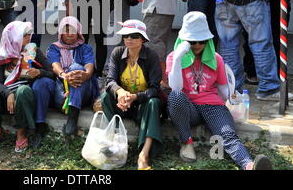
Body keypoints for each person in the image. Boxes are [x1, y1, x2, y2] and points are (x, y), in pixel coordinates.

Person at [166, 11, 273, 170]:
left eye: (201, 41)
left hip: (213, 106)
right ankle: (186, 143)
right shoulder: (174, 57)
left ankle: (250, 166)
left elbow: (224, 91)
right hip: (188, 108)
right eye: (192, 41)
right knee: (175, 96)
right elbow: (175, 88)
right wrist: (178, 59)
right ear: (183, 40)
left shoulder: (216, 58)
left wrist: (232, 96)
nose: (196, 46)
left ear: (207, 40)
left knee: (228, 135)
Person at [0, 21, 54, 152]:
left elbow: (52, 73)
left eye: (30, 34)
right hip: (5, 96)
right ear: (15, 37)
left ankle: (21, 132)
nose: (29, 37)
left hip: (24, 98)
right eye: (25, 35)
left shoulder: (33, 51)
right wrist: (8, 94)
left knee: (23, 90)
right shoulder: (2, 54)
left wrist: (39, 72)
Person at [101, 19, 163, 170]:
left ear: (142, 39)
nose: (129, 38)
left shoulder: (152, 56)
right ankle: (114, 144)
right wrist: (121, 92)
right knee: (105, 96)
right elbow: (110, 81)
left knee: (154, 101)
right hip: (122, 104)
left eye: (134, 35)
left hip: (143, 105)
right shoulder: (117, 53)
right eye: (126, 35)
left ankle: (143, 155)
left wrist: (135, 97)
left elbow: (155, 88)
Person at [32, 16, 99, 147]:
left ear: (79, 32)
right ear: (61, 32)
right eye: (66, 30)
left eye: (73, 30)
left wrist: (85, 74)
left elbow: (89, 66)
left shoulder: (86, 48)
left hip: (82, 90)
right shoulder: (54, 48)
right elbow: (54, 65)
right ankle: (39, 126)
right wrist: (64, 75)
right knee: (41, 83)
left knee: (76, 68)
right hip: (60, 90)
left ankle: (73, 115)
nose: (69, 34)